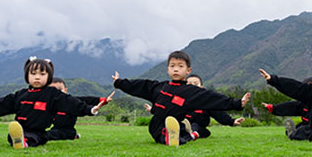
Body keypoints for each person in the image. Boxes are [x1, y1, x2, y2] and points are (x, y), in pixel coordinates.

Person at [113, 50, 251, 147]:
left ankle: (174, 137)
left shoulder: (191, 92)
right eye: (172, 66)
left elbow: (212, 99)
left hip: (177, 123)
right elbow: (139, 86)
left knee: (182, 133)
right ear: (167, 69)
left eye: (180, 66)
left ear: (188, 71)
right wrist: (119, 83)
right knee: (157, 132)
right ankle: (171, 138)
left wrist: (236, 103)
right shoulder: (159, 87)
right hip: (157, 123)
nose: (176, 69)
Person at [0, 57, 109, 149]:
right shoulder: (21, 94)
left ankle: (25, 143)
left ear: (48, 76)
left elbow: (71, 103)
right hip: (21, 128)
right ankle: (19, 139)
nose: (37, 77)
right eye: (33, 73)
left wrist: (90, 110)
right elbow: (2, 105)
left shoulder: (52, 94)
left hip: (39, 131)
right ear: (27, 76)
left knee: (36, 138)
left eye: (42, 74)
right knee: (11, 137)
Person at [179, 74, 244, 140]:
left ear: (201, 87)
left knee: (201, 130)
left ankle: (190, 135)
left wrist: (232, 121)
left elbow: (219, 114)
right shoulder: (179, 100)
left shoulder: (206, 102)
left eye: (195, 84)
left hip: (198, 127)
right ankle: (179, 134)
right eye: (189, 84)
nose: (192, 86)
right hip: (182, 126)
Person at [46, 77, 113, 141]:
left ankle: (73, 136)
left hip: (68, 131)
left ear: (65, 90)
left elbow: (87, 100)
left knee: (49, 135)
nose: (57, 93)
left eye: (60, 90)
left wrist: (104, 100)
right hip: (55, 129)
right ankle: (75, 136)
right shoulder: (50, 104)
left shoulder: (72, 102)